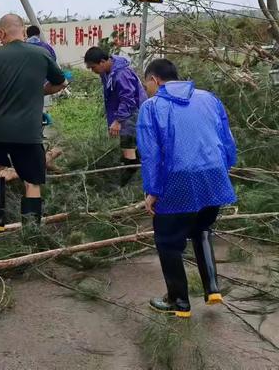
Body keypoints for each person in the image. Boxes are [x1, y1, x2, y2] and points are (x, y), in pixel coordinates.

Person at [137, 59, 237, 318]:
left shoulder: (152, 107)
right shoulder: (208, 98)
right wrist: (223, 168)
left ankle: (179, 302)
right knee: (202, 228)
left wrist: (153, 191)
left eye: (146, 83)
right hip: (214, 174)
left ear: (154, 80)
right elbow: (226, 137)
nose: (146, 89)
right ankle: (212, 288)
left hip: (177, 179)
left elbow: (150, 154)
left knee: (168, 242)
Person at [0, 14, 67, 232]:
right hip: (29, 131)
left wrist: (0, 92)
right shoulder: (42, 54)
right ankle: (31, 231)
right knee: (32, 180)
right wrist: (39, 90)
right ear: (23, 31)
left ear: (1, 33)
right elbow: (61, 82)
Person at [84, 46, 147, 185]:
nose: (92, 71)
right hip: (124, 114)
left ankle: (124, 186)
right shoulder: (107, 72)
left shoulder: (121, 74)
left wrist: (118, 121)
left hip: (132, 114)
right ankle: (133, 179)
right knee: (130, 148)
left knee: (128, 149)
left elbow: (128, 100)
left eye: (93, 67)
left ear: (102, 62)